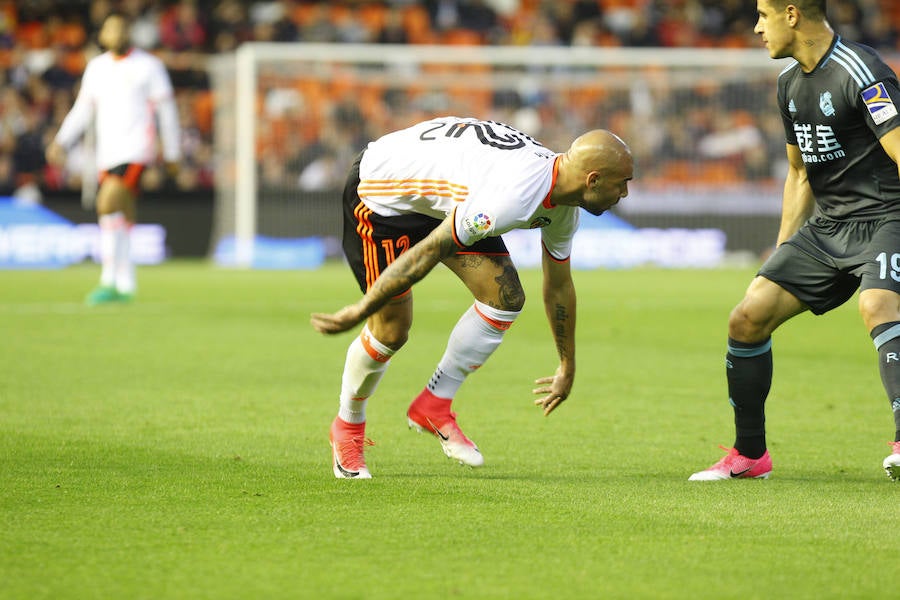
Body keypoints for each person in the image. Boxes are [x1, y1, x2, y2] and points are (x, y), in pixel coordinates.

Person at [311, 116, 633, 479]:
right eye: (623, 184)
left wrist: (566, 364)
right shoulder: (513, 197)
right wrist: (362, 308)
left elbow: (558, 285)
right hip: (384, 195)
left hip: (449, 200)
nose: (624, 194)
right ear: (593, 180)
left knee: (504, 296)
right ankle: (347, 427)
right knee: (391, 331)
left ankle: (434, 404)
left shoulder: (562, 206)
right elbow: (431, 250)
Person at [690, 0, 900, 482]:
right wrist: (783, 253)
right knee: (747, 317)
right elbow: (800, 172)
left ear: (791, 14)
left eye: (762, 15)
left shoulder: (862, 71)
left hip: (888, 216)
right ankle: (750, 456)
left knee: (877, 304)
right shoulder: (788, 84)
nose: (756, 27)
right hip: (829, 228)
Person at [46, 11, 181, 305]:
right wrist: (61, 141)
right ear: (103, 36)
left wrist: (172, 152)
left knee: (106, 203)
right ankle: (126, 282)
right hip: (107, 153)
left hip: (137, 149)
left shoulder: (149, 66)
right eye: (111, 29)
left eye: (122, 29)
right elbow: (82, 110)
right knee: (120, 213)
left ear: (128, 33)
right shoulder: (96, 68)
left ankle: (108, 279)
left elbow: (167, 111)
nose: (117, 34)